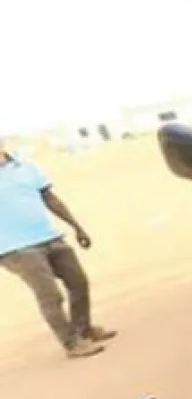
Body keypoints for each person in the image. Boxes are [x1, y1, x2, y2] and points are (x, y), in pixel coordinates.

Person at [0, 140, 113, 358]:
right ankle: (72, 344)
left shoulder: (25, 166)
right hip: (15, 247)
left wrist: (77, 227)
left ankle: (83, 329)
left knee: (78, 282)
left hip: (49, 237)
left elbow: (50, 199)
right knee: (50, 295)